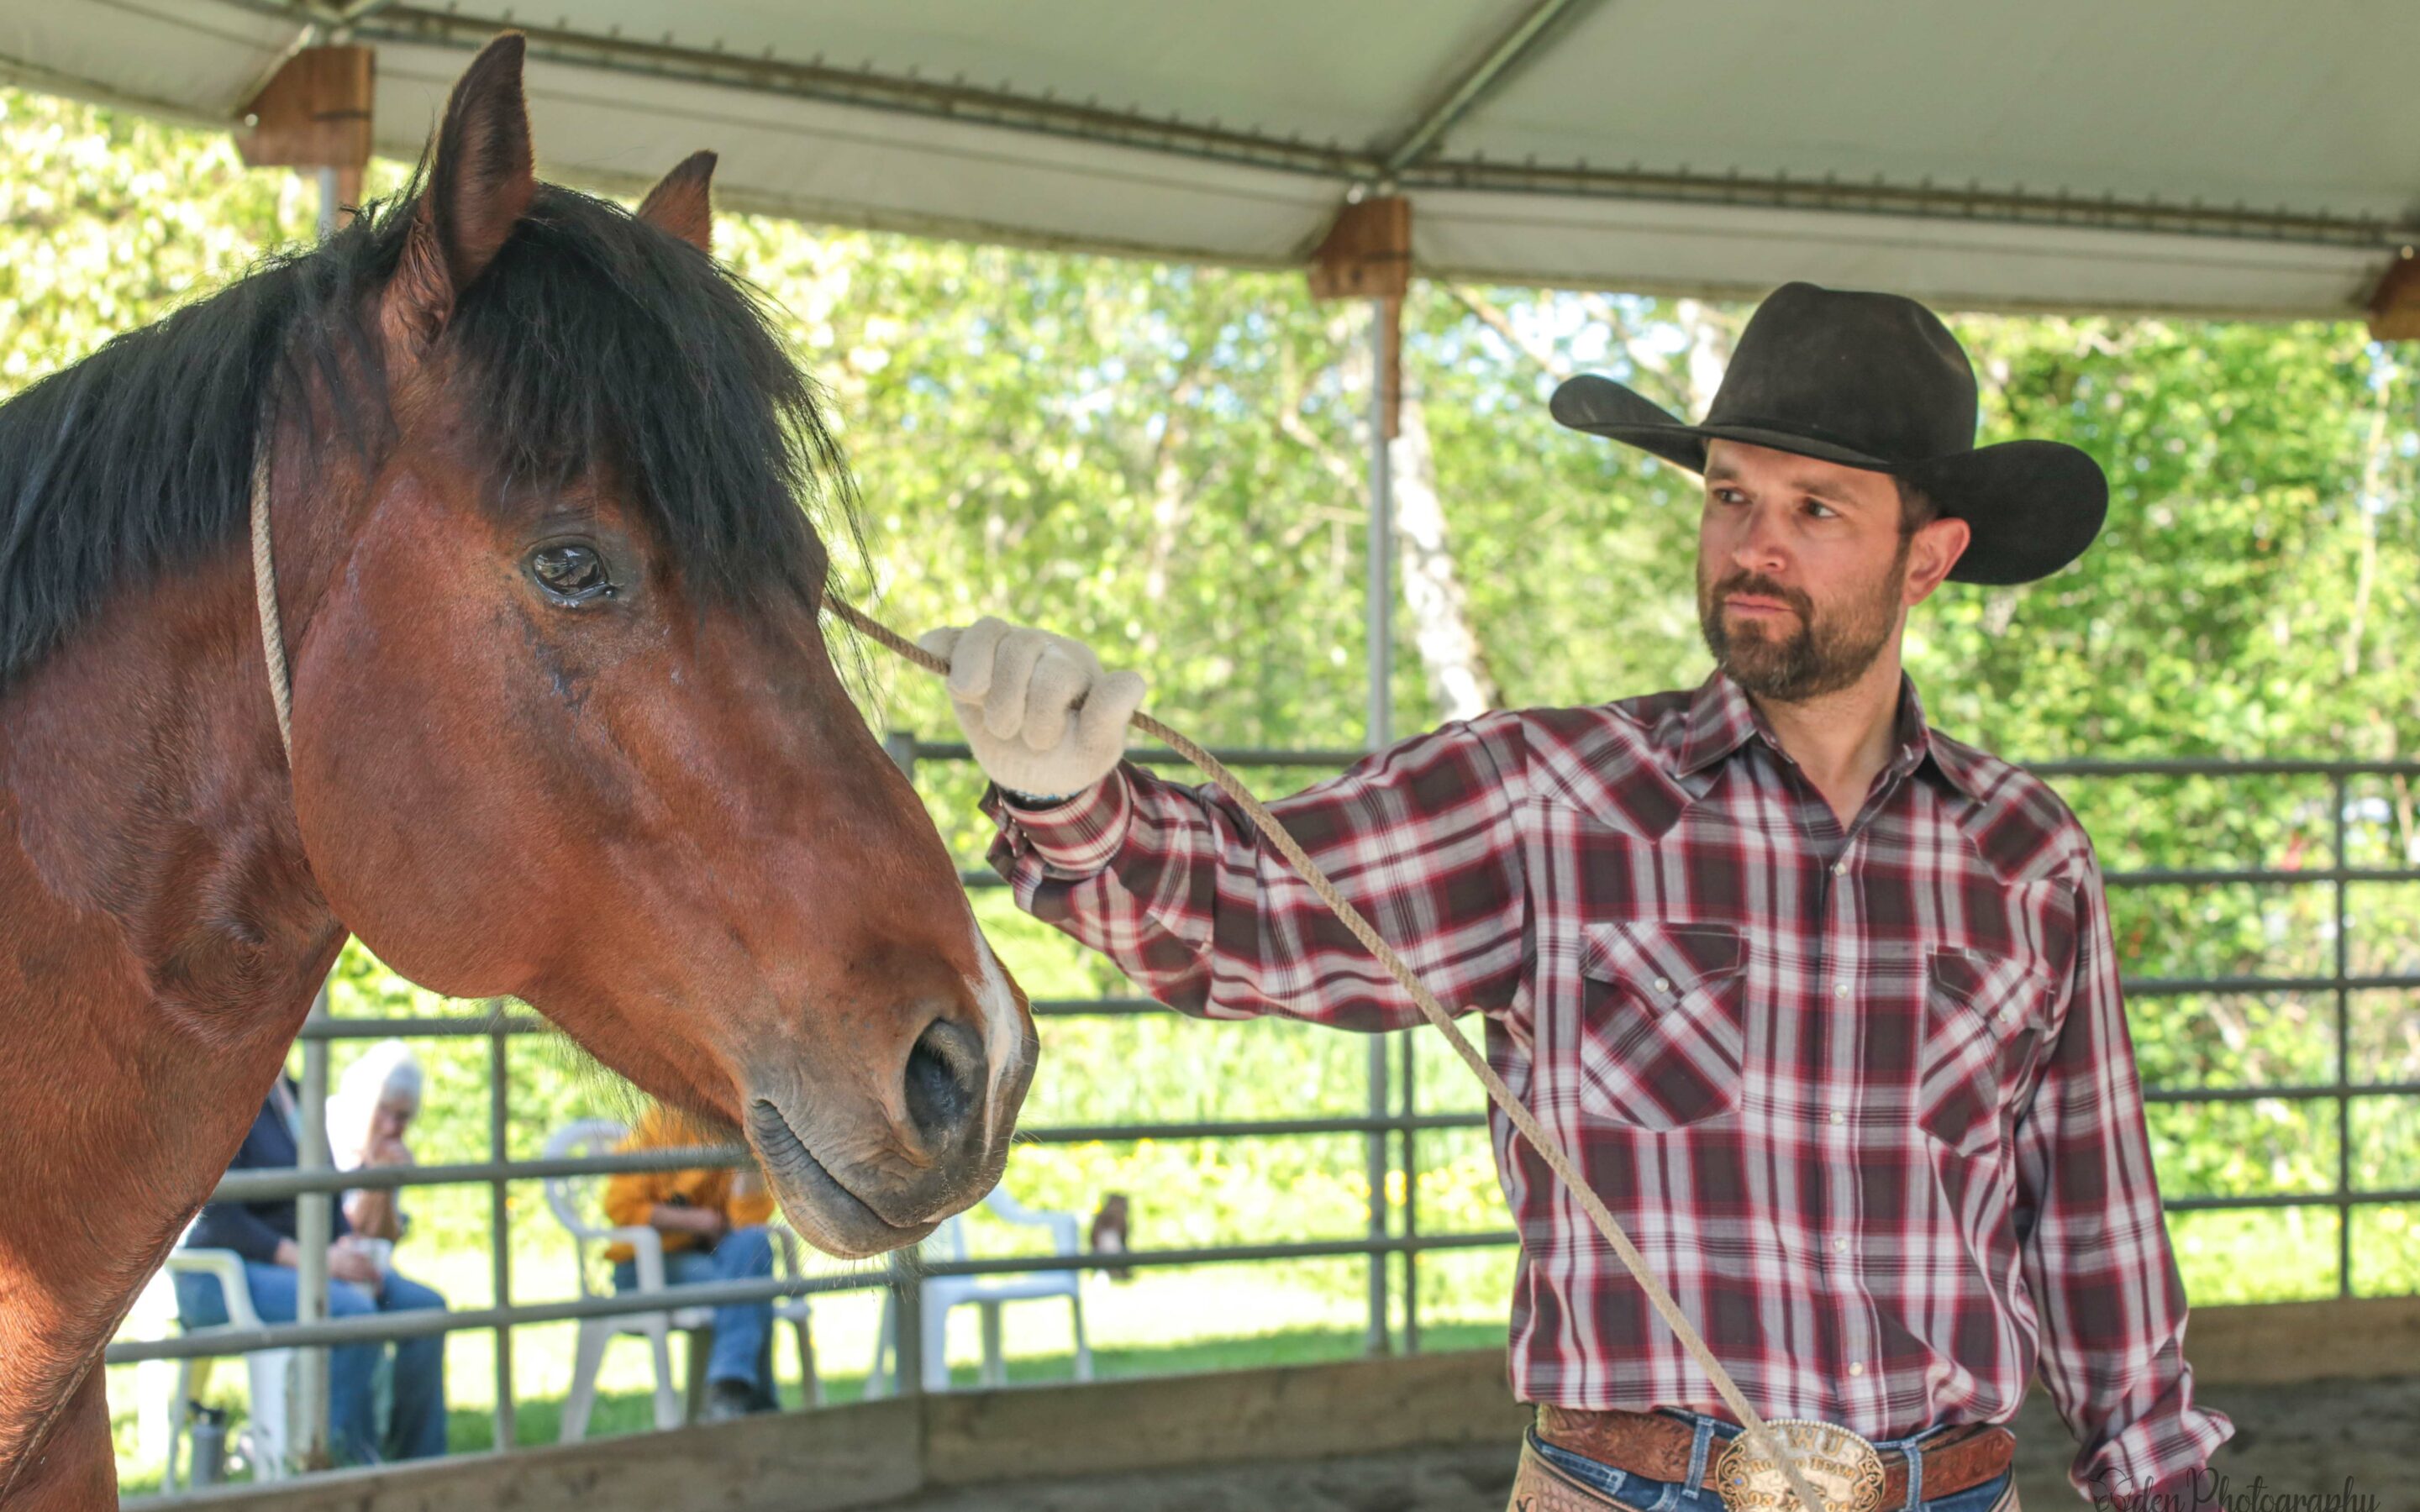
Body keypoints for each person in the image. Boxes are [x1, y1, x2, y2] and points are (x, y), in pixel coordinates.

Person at [920, 284, 2234, 1512]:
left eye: (1815, 510)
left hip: (1950, 1487)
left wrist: (2157, 1475)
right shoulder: (1551, 797)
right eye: (1731, 497)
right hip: (1635, 1489)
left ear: (1929, 559)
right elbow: (1254, 909)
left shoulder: (2025, 854)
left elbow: (2091, 1211)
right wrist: (1073, 801)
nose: (1753, 547)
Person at [177, 1074, 450, 1466]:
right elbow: (220, 1221)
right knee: (350, 1314)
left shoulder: (298, 1093)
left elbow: (328, 1192)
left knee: (426, 1310)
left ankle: (417, 1470)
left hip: (306, 1266)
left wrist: (346, 1246)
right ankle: (349, 1472)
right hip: (222, 1275)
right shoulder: (224, 1091)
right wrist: (319, 1262)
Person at [600, 1106, 781, 1421]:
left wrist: (747, 1169)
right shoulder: (661, 1124)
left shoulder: (738, 1133)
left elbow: (748, 1226)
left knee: (753, 1248)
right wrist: (695, 1221)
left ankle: (730, 1394)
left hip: (709, 1261)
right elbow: (620, 1206)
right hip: (645, 1266)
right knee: (748, 1291)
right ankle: (754, 1404)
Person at [327, 1038, 424, 1244]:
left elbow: (384, 1239)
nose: (390, 1127)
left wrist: (384, 1183)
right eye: (383, 1109)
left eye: (402, 1116)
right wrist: (378, 1178)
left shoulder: (390, 1154)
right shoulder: (326, 1129)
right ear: (361, 1098)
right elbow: (344, 1231)